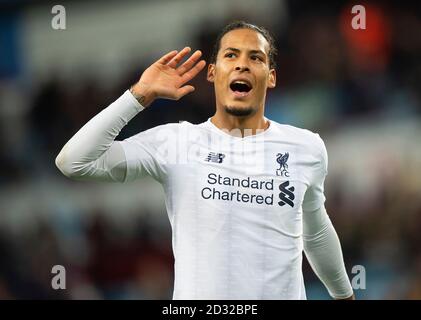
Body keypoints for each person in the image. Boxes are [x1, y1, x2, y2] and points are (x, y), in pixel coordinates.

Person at [55, 21, 354, 300]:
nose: (242, 64)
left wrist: (345, 295)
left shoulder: (306, 147)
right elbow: (74, 161)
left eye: (256, 58)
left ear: (271, 77)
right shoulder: (176, 142)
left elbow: (315, 232)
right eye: (231, 55)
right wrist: (139, 96)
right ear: (212, 73)